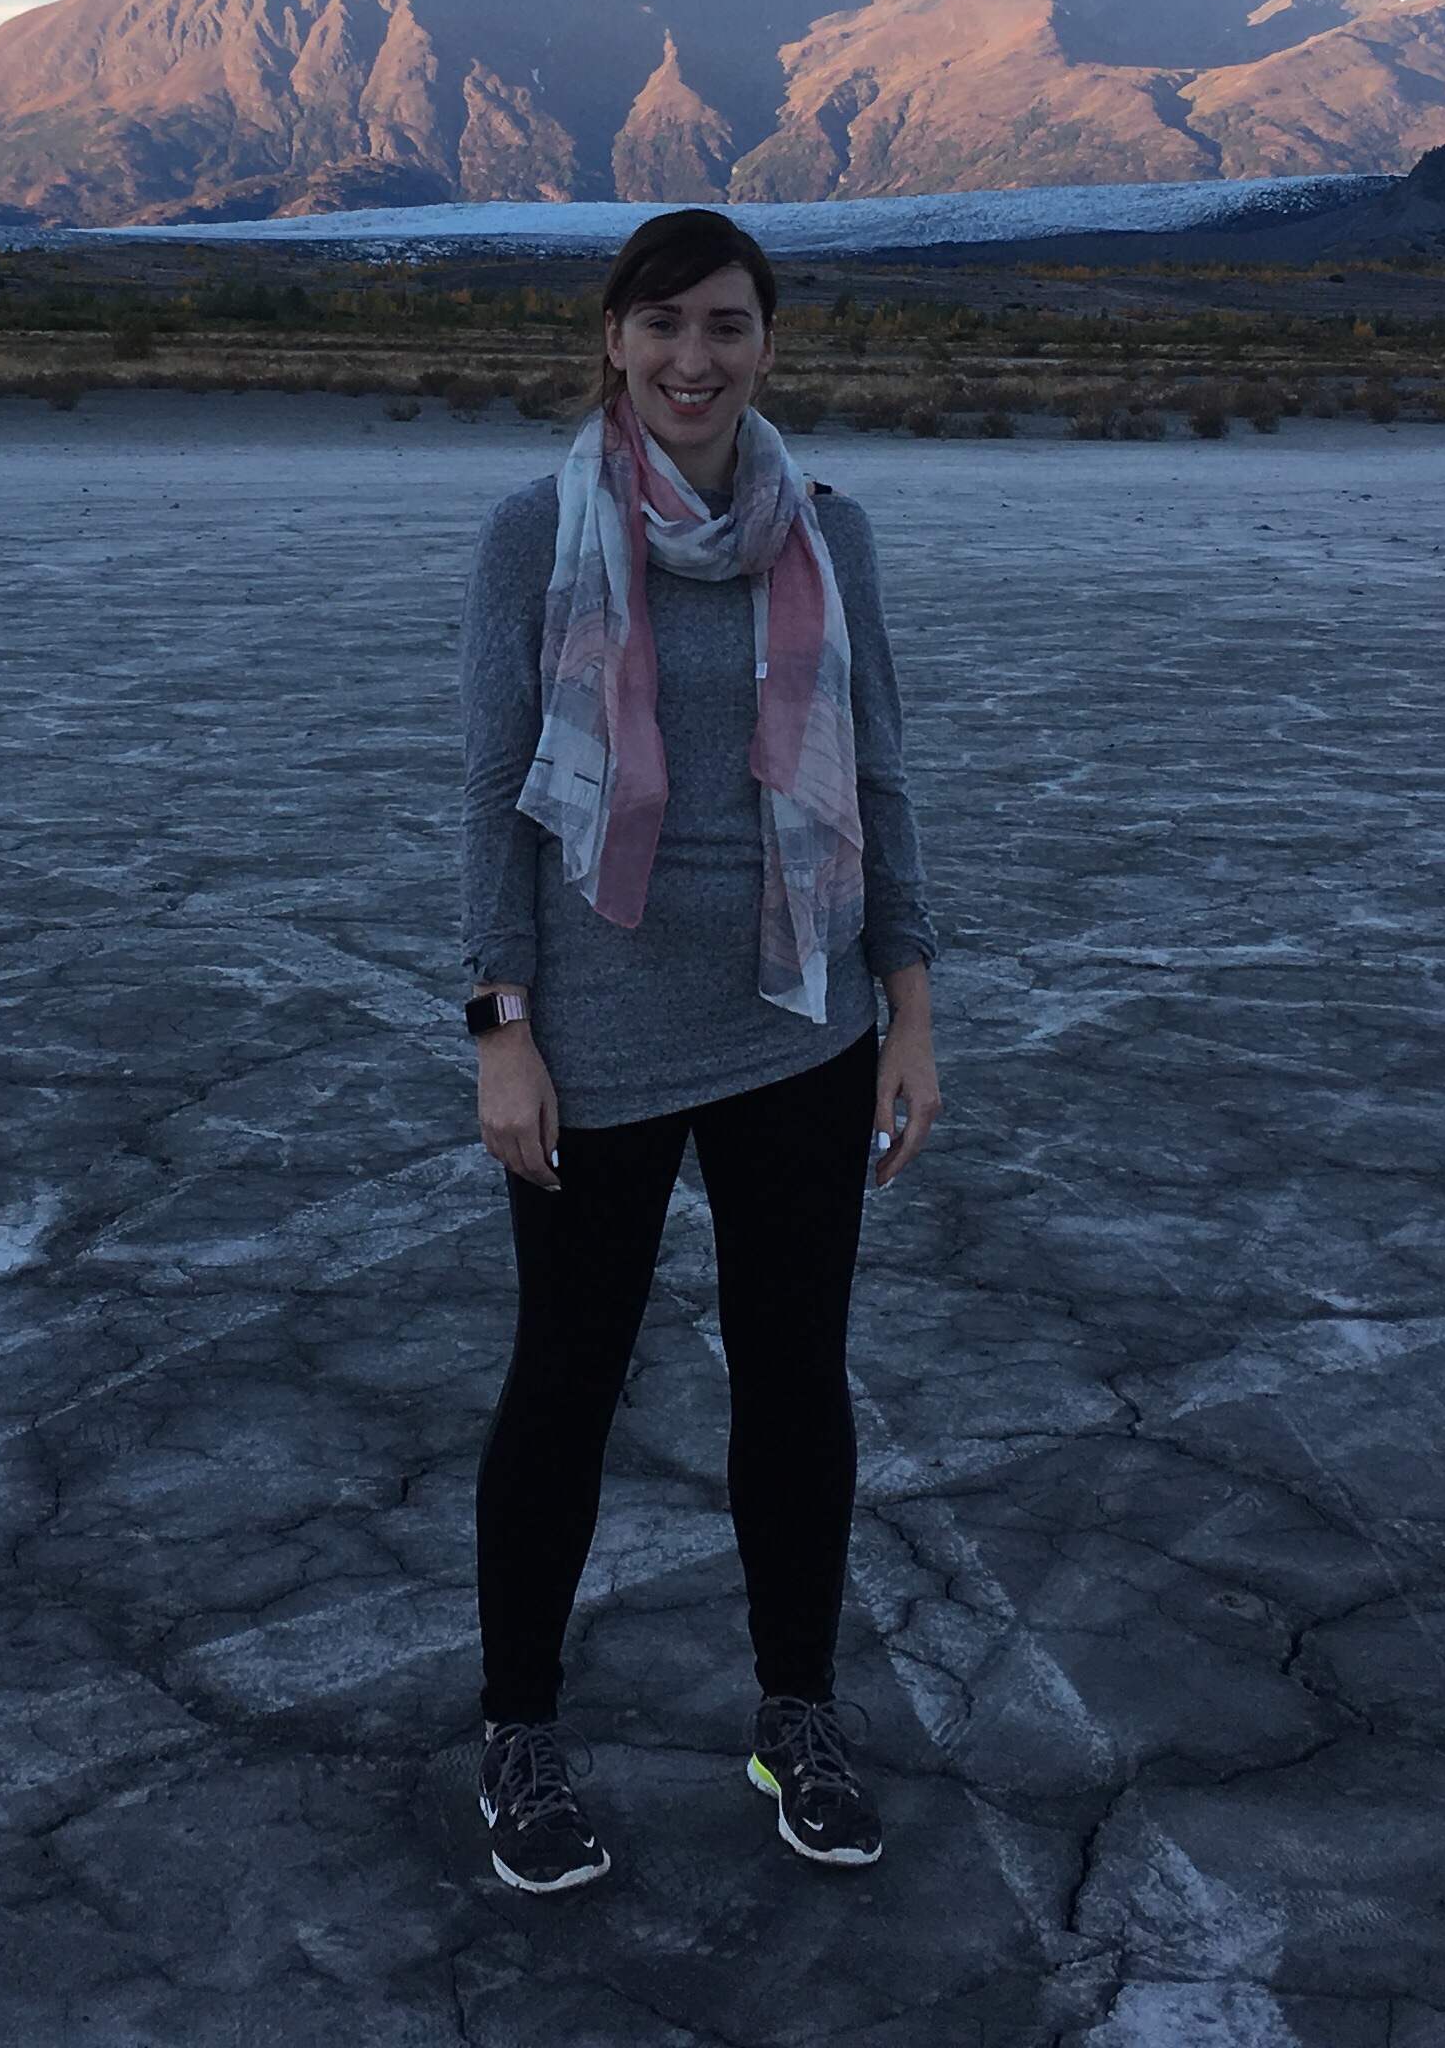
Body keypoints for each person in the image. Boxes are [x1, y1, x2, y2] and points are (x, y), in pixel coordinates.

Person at [455, 206, 942, 1895]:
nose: (693, 357)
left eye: (727, 325)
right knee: (566, 1383)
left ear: (766, 344)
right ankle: (519, 1733)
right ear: (613, 339)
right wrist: (501, 1031)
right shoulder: (539, 533)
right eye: (662, 323)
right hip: (594, 1033)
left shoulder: (831, 532)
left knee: (794, 1381)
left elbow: (877, 774)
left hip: (801, 1015)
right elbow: (494, 802)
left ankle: (796, 1714)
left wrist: (910, 1012)